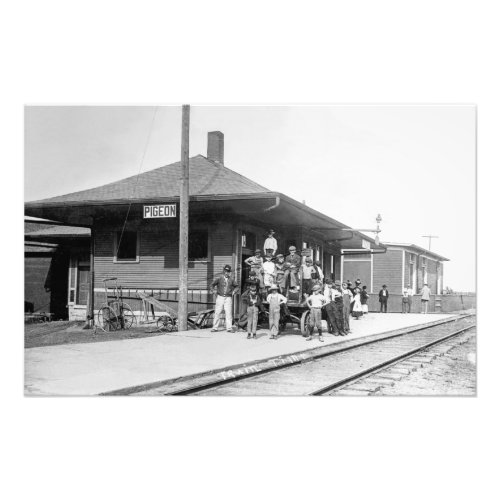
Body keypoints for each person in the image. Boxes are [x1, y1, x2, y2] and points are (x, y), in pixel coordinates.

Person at [211, 264, 239, 332]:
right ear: (223, 271)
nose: (227, 273)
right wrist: (213, 291)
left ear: (229, 272)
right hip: (220, 297)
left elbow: (237, 286)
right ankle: (215, 327)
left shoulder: (231, 279)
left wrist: (234, 292)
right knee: (217, 312)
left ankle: (229, 328)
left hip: (228, 297)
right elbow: (212, 285)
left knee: (228, 312)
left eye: (228, 271)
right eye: (226, 271)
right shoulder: (219, 278)